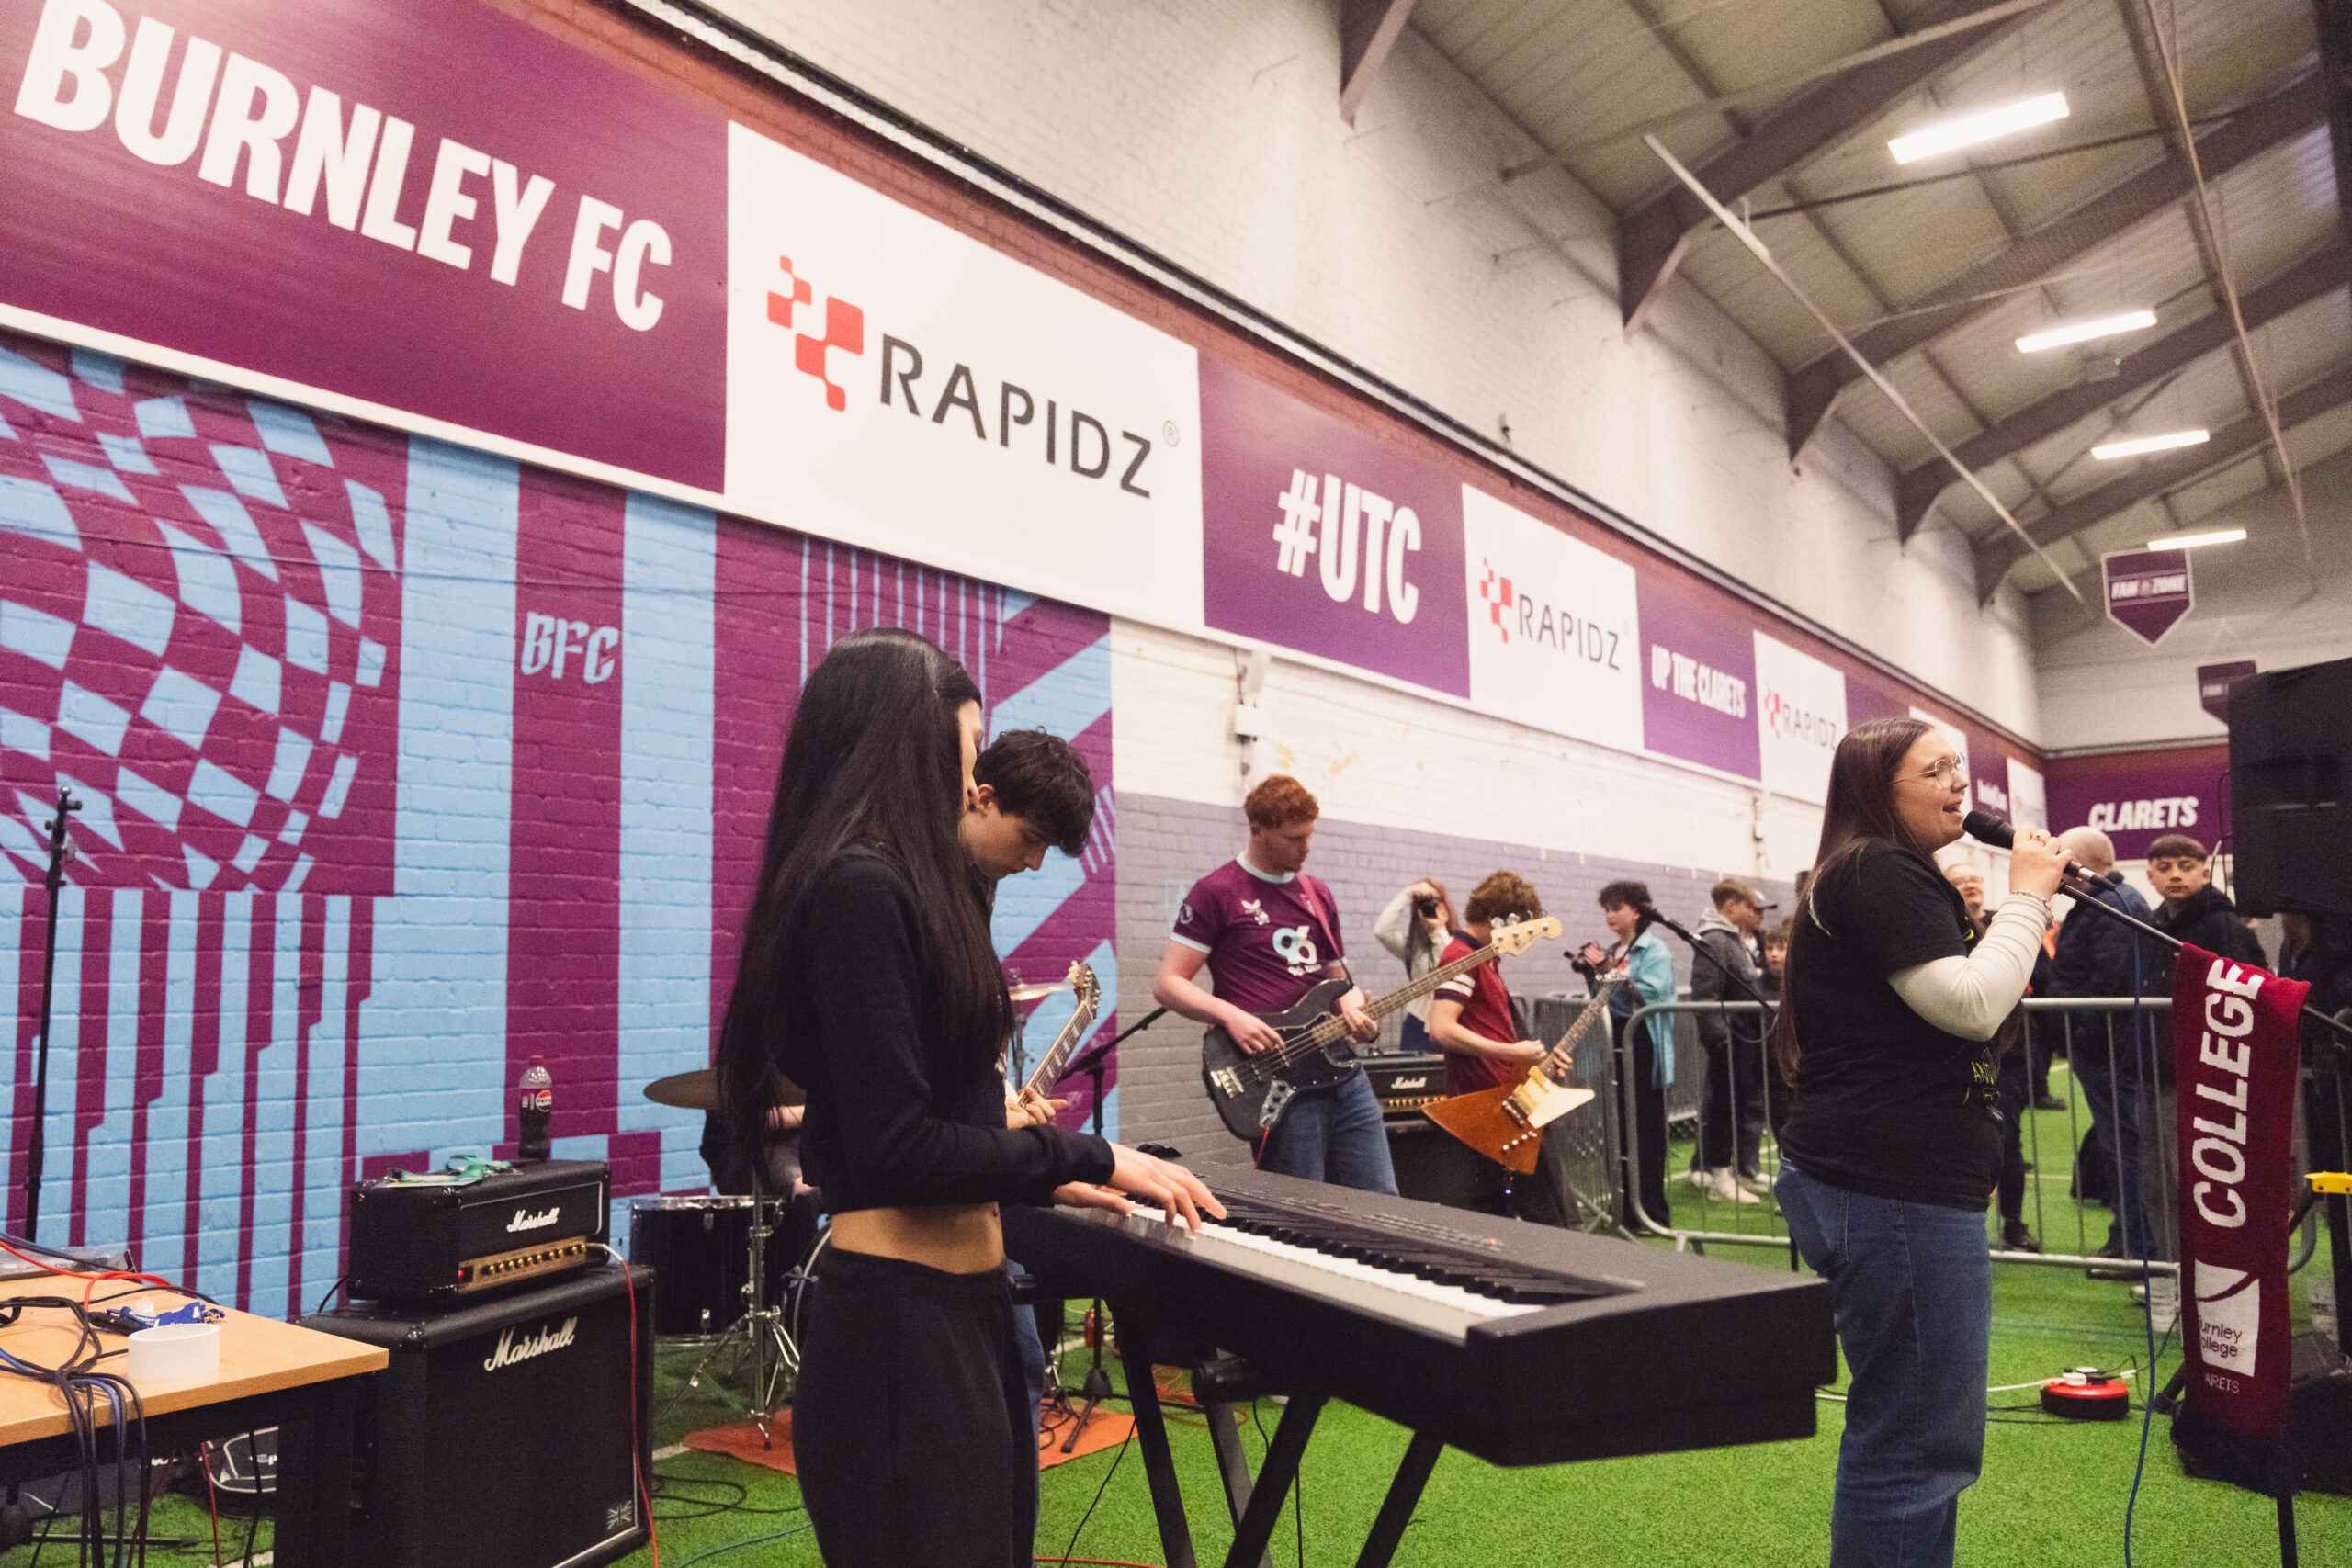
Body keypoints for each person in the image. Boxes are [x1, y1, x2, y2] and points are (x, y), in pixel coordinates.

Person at [716, 626, 1218, 1568]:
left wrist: (1041, 1177)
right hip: (899, 1329)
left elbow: (935, 1116)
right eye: (964, 750)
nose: (971, 778)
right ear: (901, 743)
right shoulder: (858, 887)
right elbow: (898, 1148)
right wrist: (1089, 1153)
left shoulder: (912, 889)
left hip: (966, 1306)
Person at [1774, 716, 2065, 1568]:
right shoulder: (1876, 868)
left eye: (1958, 768)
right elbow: (1970, 1004)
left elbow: (1968, 1025)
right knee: (1915, 1443)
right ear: (1879, 788)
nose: (1958, 784)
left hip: (1897, 1183)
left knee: (1924, 1439)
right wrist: (2028, 898)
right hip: (1887, 1186)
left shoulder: (1886, 872)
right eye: (1935, 770)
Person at [960, 726, 1100, 1513]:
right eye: (1032, 839)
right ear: (982, 798)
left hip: (975, 1203)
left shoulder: (976, 888)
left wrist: (1002, 1103)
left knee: (1015, 1375)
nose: (1036, 863)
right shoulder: (898, 889)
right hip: (915, 1237)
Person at [1154, 774, 1396, 1192]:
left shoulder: (1317, 894)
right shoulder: (1217, 891)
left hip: (1340, 1068)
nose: (1305, 848)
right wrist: (1230, 1016)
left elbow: (1338, 980)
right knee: (1300, 1208)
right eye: (1293, 838)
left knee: (1383, 1199)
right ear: (1257, 830)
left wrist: (1356, 1011)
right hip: (1277, 1078)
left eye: (1309, 836)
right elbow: (1168, 983)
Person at [1425, 871, 1576, 1225]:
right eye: (1520, 926)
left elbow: (1494, 1032)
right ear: (1497, 919)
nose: (1524, 939)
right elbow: (1442, 1028)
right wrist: (1513, 1053)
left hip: (1505, 1101)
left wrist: (1537, 1063)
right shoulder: (1461, 956)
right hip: (1491, 1107)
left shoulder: (1483, 958)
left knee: (1510, 1211)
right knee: (1543, 1215)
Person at [2050, 825, 2165, 1269]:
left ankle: (2137, 1246)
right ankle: (2130, 1240)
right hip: (2105, 1049)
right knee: (2122, 1147)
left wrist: (2075, 1025)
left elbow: (2109, 985)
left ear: (2083, 864)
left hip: (2110, 1051)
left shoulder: (2111, 905)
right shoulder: (2105, 903)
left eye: (2062, 860)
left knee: (2126, 1149)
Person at [1945, 862, 2039, 1254]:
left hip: (2009, 1053)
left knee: (2008, 1141)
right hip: (1959, 1053)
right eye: (1959, 880)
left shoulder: (2007, 925)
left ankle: (2013, 1223)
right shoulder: (1942, 928)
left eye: (1975, 879)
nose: (1970, 885)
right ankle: (1961, 1227)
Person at [1597, 880, 1677, 1232]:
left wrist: (1611, 973)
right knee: (1621, 1128)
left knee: (1647, 1130)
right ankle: (1626, 1207)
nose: (1610, 915)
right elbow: (1602, 998)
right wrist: (1593, 973)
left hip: (1645, 1043)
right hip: (1617, 1042)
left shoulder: (1655, 950)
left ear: (1638, 911)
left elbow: (1650, 995)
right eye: (1607, 909)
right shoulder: (1614, 951)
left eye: (1617, 907)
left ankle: (1651, 1209)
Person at [1691, 878, 1771, 1204]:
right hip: (1730, 1040)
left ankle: (1738, 1173)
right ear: (1730, 905)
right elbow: (1705, 995)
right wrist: (1720, 1040)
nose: (1751, 912)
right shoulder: (1714, 940)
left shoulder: (1729, 939)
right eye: (1746, 905)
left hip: (1742, 1037)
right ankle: (1720, 1178)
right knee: (1723, 1109)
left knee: (1737, 1107)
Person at [2145, 834, 2266, 970]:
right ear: (2150, 876)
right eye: (2164, 868)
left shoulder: (2225, 925)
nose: (2175, 875)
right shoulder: (2151, 925)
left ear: (2206, 875)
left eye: (2186, 867)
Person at [1374, 878, 1460, 1055]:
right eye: (1423, 903)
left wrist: (1439, 931)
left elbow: (1450, 964)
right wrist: (1408, 894)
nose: (1429, 907)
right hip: (1416, 1024)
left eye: (1435, 901)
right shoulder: (1412, 948)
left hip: (1448, 1023)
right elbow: (1382, 931)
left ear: (1444, 905)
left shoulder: (1457, 944)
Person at [1760, 919, 1793, 1135]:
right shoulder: (1757, 986)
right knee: (1778, 1121)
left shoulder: (1799, 983)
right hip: (1770, 1068)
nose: (1774, 954)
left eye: (1781, 949)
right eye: (1770, 948)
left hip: (1794, 1068)